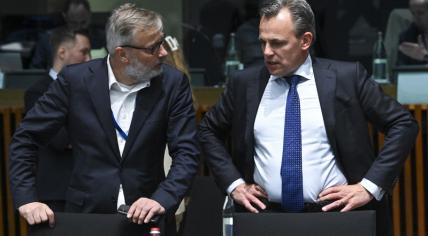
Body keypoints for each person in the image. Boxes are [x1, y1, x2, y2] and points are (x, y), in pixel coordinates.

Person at [198, 0, 418, 235]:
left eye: (277, 43)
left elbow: (403, 124)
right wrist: (235, 184)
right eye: (263, 42)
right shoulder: (245, 83)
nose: (267, 52)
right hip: (264, 218)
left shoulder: (346, 78)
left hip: (336, 217)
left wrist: (369, 186)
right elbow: (207, 130)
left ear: (305, 40)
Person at [10, 3, 199, 235]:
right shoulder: (75, 81)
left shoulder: (172, 83)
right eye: (153, 47)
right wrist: (26, 199)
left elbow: (187, 152)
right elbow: (26, 138)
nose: (163, 52)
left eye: (162, 42)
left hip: (149, 216)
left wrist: (162, 198)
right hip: (87, 218)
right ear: (123, 54)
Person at [24, 26, 91, 212]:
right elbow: (59, 139)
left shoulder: (91, 88)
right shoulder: (38, 92)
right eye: (83, 52)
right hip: (56, 191)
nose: (89, 59)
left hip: (89, 189)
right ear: (62, 52)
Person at [30, 0, 105, 69]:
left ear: (89, 15)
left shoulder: (101, 37)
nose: (79, 27)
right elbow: (36, 70)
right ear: (65, 16)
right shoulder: (49, 39)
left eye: (83, 23)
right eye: (74, 23)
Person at [397, 0, 428, 65]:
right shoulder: (406, 36)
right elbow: (400, 68)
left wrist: (425, 56)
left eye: (420, 13)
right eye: (413, 13)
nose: (416, 18)